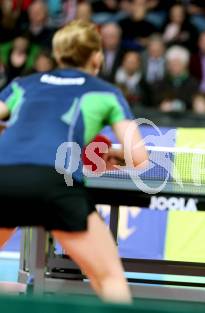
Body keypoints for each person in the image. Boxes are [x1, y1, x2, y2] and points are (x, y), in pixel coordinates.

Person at [0, 20, 149, 303]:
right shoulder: (107, 93)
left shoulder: (23, 84)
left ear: (58, 56)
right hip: (55, 181)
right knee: (109, 279)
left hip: (3, 174)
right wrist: (116, 154)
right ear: (96, 56)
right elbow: (140, 158)